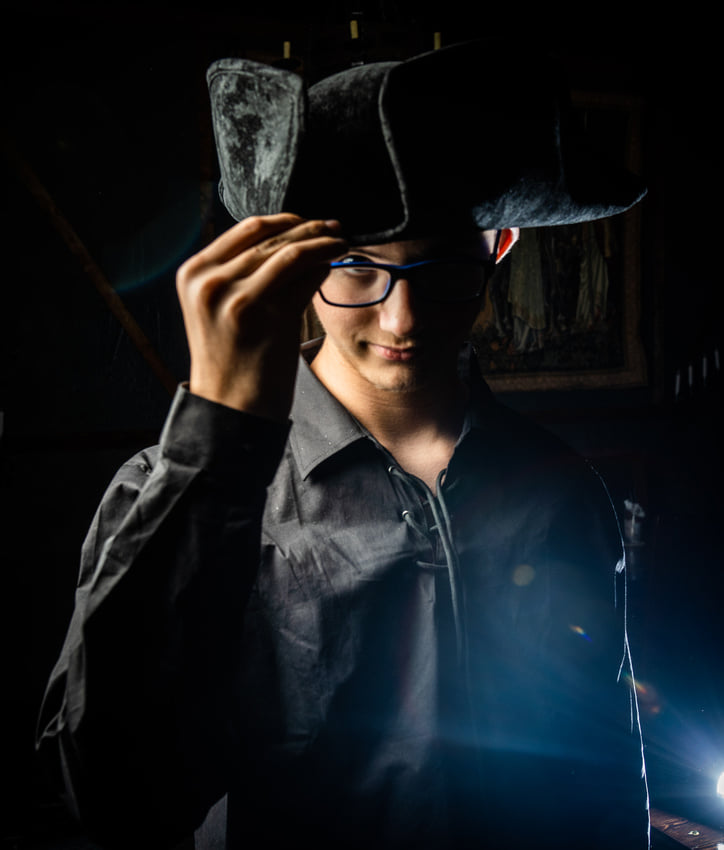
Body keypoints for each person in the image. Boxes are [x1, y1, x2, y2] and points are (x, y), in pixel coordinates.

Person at [36, 40, 650, 849]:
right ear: (295, 263)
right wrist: (216, 443)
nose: (402, 318)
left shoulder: (560, 485)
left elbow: (604, 767)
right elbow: (108, 798)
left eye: (441, 268)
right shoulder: (175, 493)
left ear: (499, 247)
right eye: (357, 266)